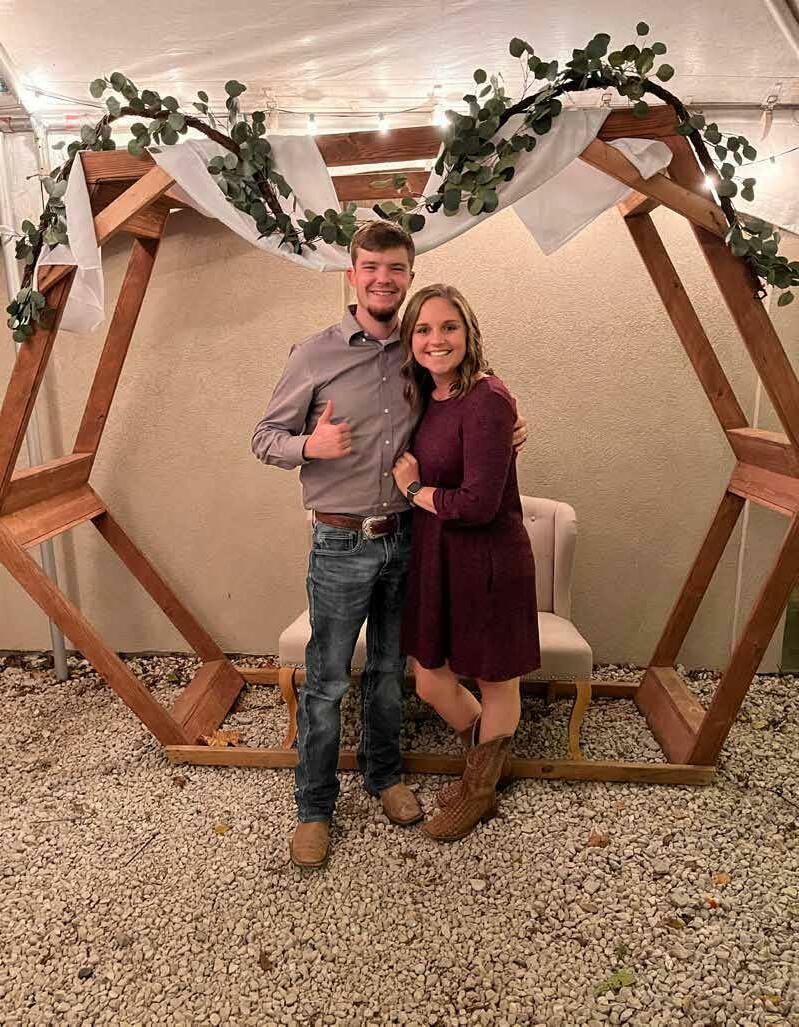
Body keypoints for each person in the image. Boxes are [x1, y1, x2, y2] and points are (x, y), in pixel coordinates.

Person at [251, 224, 527, 869]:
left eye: (395, 268)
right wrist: (310, 446)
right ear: (352, 275)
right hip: (340, 542)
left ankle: (384, 778)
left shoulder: (417, 351)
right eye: (371, 266)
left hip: (408, 538)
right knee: (326, 683)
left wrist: (511, 424)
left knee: (387, 675)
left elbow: (468, 401)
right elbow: (264, 438)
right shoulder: (314, 354)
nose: (383, 278)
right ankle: (314, 808)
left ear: (408, 276)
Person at [392, 284, 540, 842]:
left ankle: (478, 792)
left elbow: (478, 504)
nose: (437, 339)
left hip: (489, 561)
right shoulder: (428, 396)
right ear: (410, 340)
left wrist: (414, 492)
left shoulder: (487, 397)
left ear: (468, 332)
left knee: (496, 680)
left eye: (449, 327)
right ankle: (490, 762)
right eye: (424, 329)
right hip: (439, 559)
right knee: (430, 680)